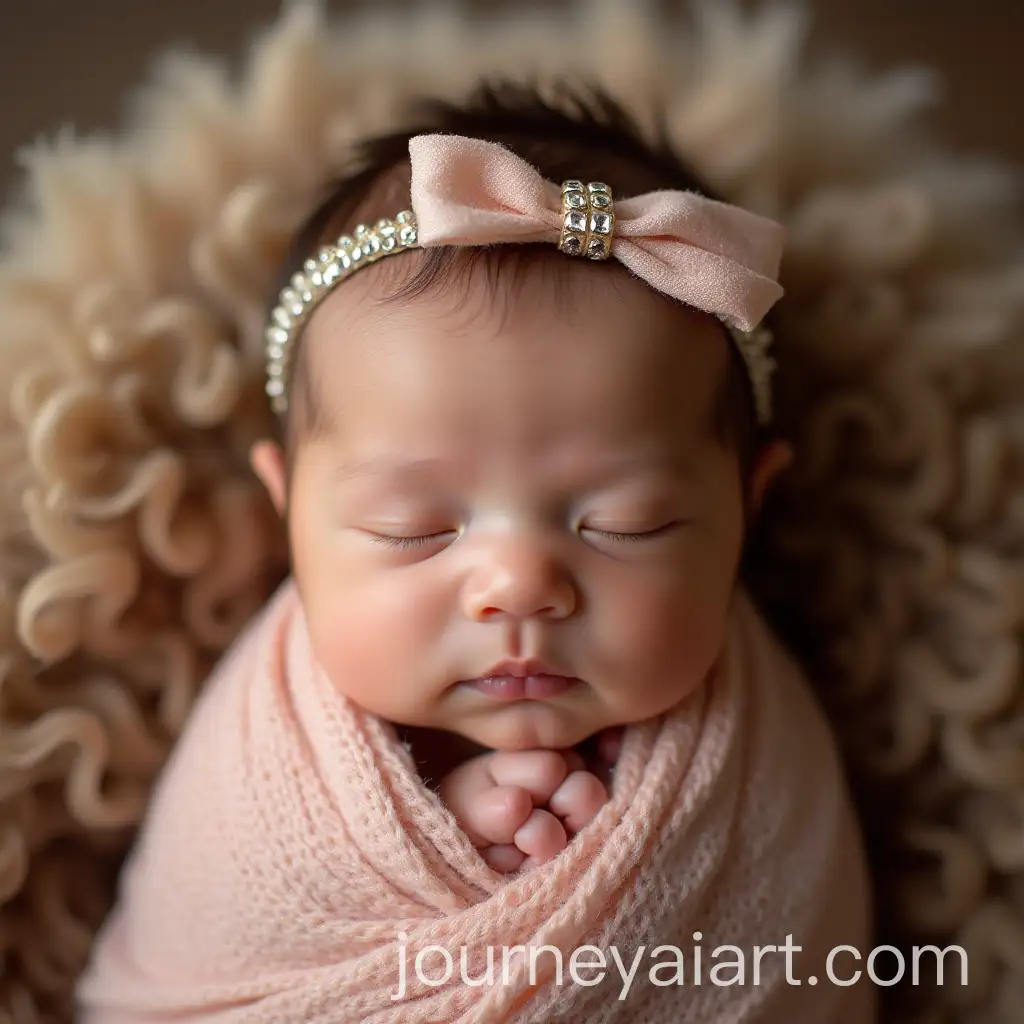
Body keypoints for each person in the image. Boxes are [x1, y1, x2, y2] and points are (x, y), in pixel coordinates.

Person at [77, 80, 874, 1023]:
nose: (519, 587)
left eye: (626, 523)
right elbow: (203, 947)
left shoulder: (760, 771)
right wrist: (438, 836)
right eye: (412, 528)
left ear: (747, 509)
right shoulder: (260, 764)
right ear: (289, 513)